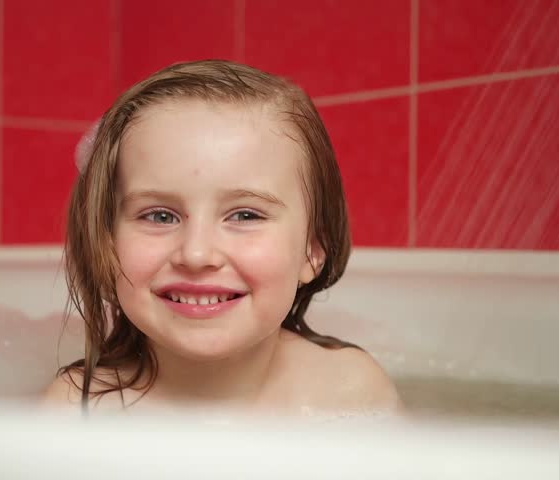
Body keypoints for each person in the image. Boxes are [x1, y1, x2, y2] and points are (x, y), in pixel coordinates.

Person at [42, 60, 402, 418]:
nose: (197, 254)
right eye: (160, 216)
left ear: (313, 250)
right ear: (106, 240)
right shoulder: (77, 411)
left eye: (245, 215)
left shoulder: (350, 393)